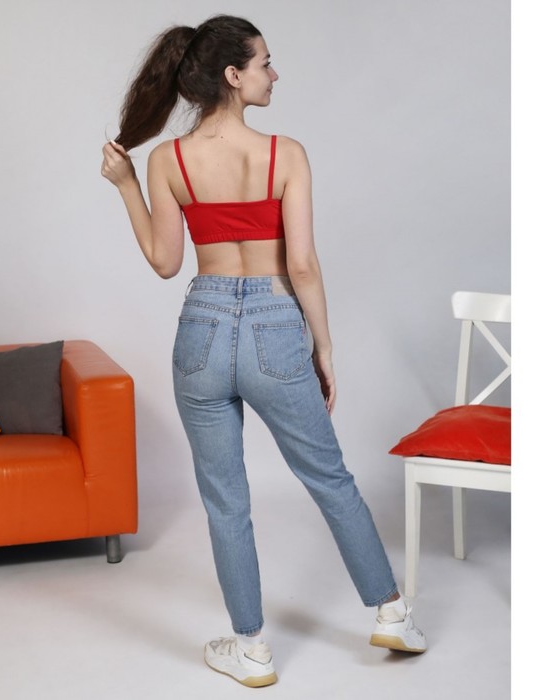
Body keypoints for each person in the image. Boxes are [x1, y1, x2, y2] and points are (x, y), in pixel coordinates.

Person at [101, 14, 426, 688]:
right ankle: (392, 616)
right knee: (330, 479)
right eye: (265, 63)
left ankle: (250, 650)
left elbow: (165, 262)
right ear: (233, 74)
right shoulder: (285, 155)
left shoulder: (167, 161)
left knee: (225, 500)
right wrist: (322, 347)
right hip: (275, 327)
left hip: (202, 327)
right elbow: (301, 265)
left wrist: (127, 186)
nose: (274, 75)